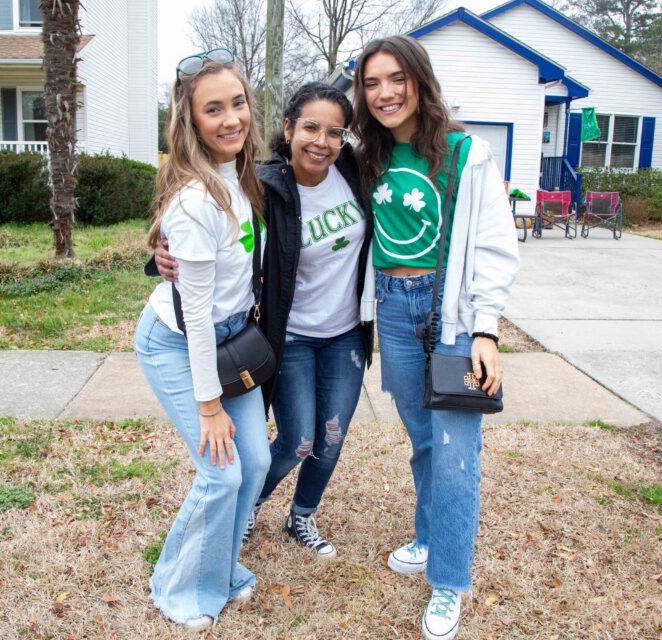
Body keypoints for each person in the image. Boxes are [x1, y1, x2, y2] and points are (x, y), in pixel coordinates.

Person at [155, 82, 375, 560]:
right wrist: (160, 257)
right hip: (290, 335)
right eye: (311, 128)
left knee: (332, 438)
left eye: (335, 132)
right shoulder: (264, 185)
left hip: (345, 335)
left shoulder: (355, 172)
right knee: (298, 439)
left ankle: (302, 516)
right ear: (288, 128)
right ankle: (251, 503)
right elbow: (201, 225)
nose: (322, 142)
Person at [352, 35, 519, 640]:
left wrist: (485, 328)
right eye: (372, 83)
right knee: (423, 440)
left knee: (455, 454)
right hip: (393, 310)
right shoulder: (365, 156)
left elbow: (496, 243)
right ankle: (428, 535)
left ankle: (448, 580)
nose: (385, 93)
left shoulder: (465, 154)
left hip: (450, 313)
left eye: (396, 78)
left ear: (419, 80)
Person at [133, 48, 271, 632]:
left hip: (230, 339)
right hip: (179, 342)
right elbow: (193, 316)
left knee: (255, 461)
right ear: (190, 120)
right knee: (222, 473)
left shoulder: (239, 175)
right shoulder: (195, 200)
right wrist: (210, 408)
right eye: (213, 109)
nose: (231, 118)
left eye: (238, 103)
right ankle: (180, 588)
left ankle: (219, 568)